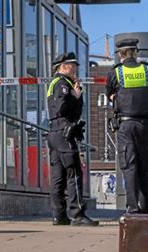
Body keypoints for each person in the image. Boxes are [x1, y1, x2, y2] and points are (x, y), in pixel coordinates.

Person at [105, 38, 148, 214]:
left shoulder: (116, 73)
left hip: (125, 124)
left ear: (121, 54)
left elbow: (109, 93)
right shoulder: (147, 70)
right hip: (144, 124)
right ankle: (147, 205)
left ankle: (133, 206)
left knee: (129, 166)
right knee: (144, 165)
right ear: (136, 52)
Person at [47, 52, 98, 226]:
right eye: (72, 65)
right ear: (63, 66)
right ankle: (77, 214)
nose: (76, 68)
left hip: (55, 132)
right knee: (74, 172)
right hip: (64, 132)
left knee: (58, 175)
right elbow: (63, 108)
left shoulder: (55, 83)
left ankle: (59, 215)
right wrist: (76, 97)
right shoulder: (62, 84)